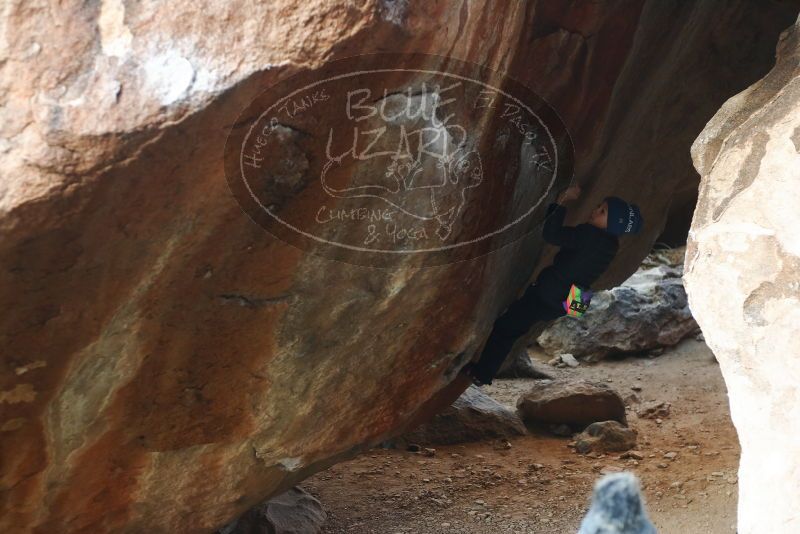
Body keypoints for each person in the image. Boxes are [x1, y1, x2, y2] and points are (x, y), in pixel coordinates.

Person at [462, 185, 644, 386]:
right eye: (599, 206)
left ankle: (482, 374)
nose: (595, 210)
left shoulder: (590, 235)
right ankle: (485, 371)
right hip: (564, 301)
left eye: (602, 212)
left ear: (612, 226)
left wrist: (560, 202)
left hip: (548, 294)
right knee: (514, 326)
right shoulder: (611, 246)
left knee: (506, 329)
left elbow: (552, 235)